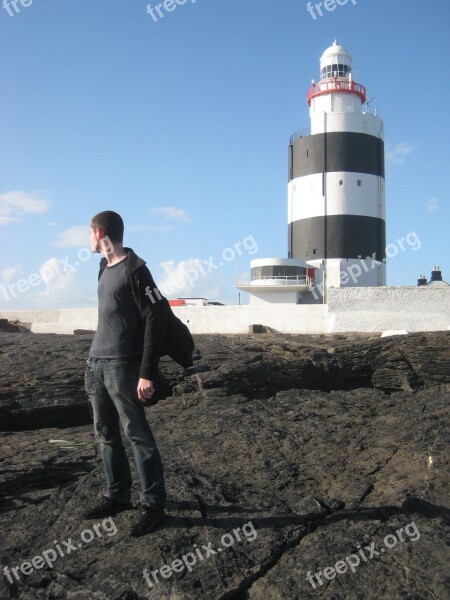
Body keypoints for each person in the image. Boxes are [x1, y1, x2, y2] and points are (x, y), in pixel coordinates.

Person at [82, 210, 168, 537]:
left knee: (137, 434)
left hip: (122, 365)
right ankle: (117, 495)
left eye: (89, 233)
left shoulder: (137, 270)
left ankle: (153, 504)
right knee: (105, 432)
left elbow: (157, 318)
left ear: (100, 232)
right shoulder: (103, 267)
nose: (87, 239)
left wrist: (147, 372)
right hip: (96, 363)